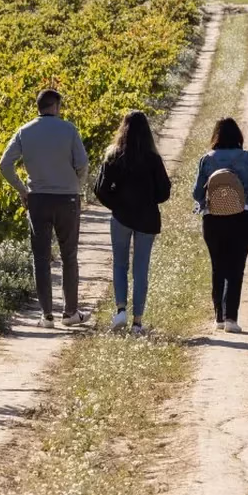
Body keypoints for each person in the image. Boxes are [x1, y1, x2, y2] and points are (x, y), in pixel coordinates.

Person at [0, 89, 91, 329]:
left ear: (39, 107)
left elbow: (5, 164)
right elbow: (83, 164)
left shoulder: (25, 131)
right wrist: (76, 186)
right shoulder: (69, 129)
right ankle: (70, 313)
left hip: (38, 199)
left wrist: (22, 189)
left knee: (40, 258)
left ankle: (47, 315)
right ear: (56, 106)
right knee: (69, 255)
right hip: (67, 199)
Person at [94, 110, 171, 334]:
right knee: (140, 269)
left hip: (121, 217)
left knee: (119, 264)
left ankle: (120, 310)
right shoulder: (153, 159)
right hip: (147, 218)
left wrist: (116, 204)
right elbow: (164, 192)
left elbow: (99, 189)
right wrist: (148, 200)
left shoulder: (114, 156)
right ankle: (137, 321)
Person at [192, 117, 248, 334]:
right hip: (244, 216)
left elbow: (196, 193)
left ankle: (219, 318)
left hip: (213, 218)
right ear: (238, 136)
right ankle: (232, 318)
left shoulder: (207, 159)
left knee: (218, 266)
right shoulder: (247, 157)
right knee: (236, 267)